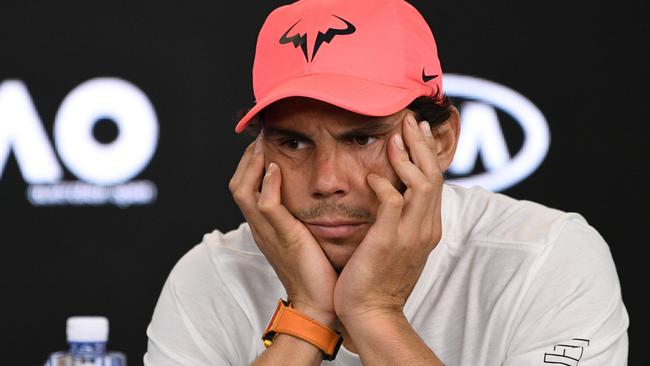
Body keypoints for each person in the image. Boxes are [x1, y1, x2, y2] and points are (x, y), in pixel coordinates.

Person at [144, 0, 629, 365]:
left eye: (361, 139)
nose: (327, 181)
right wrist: (308, 317)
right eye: (292, 144)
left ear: (440, 141)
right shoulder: (212, 273)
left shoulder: (546, 257)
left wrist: (373, 312)